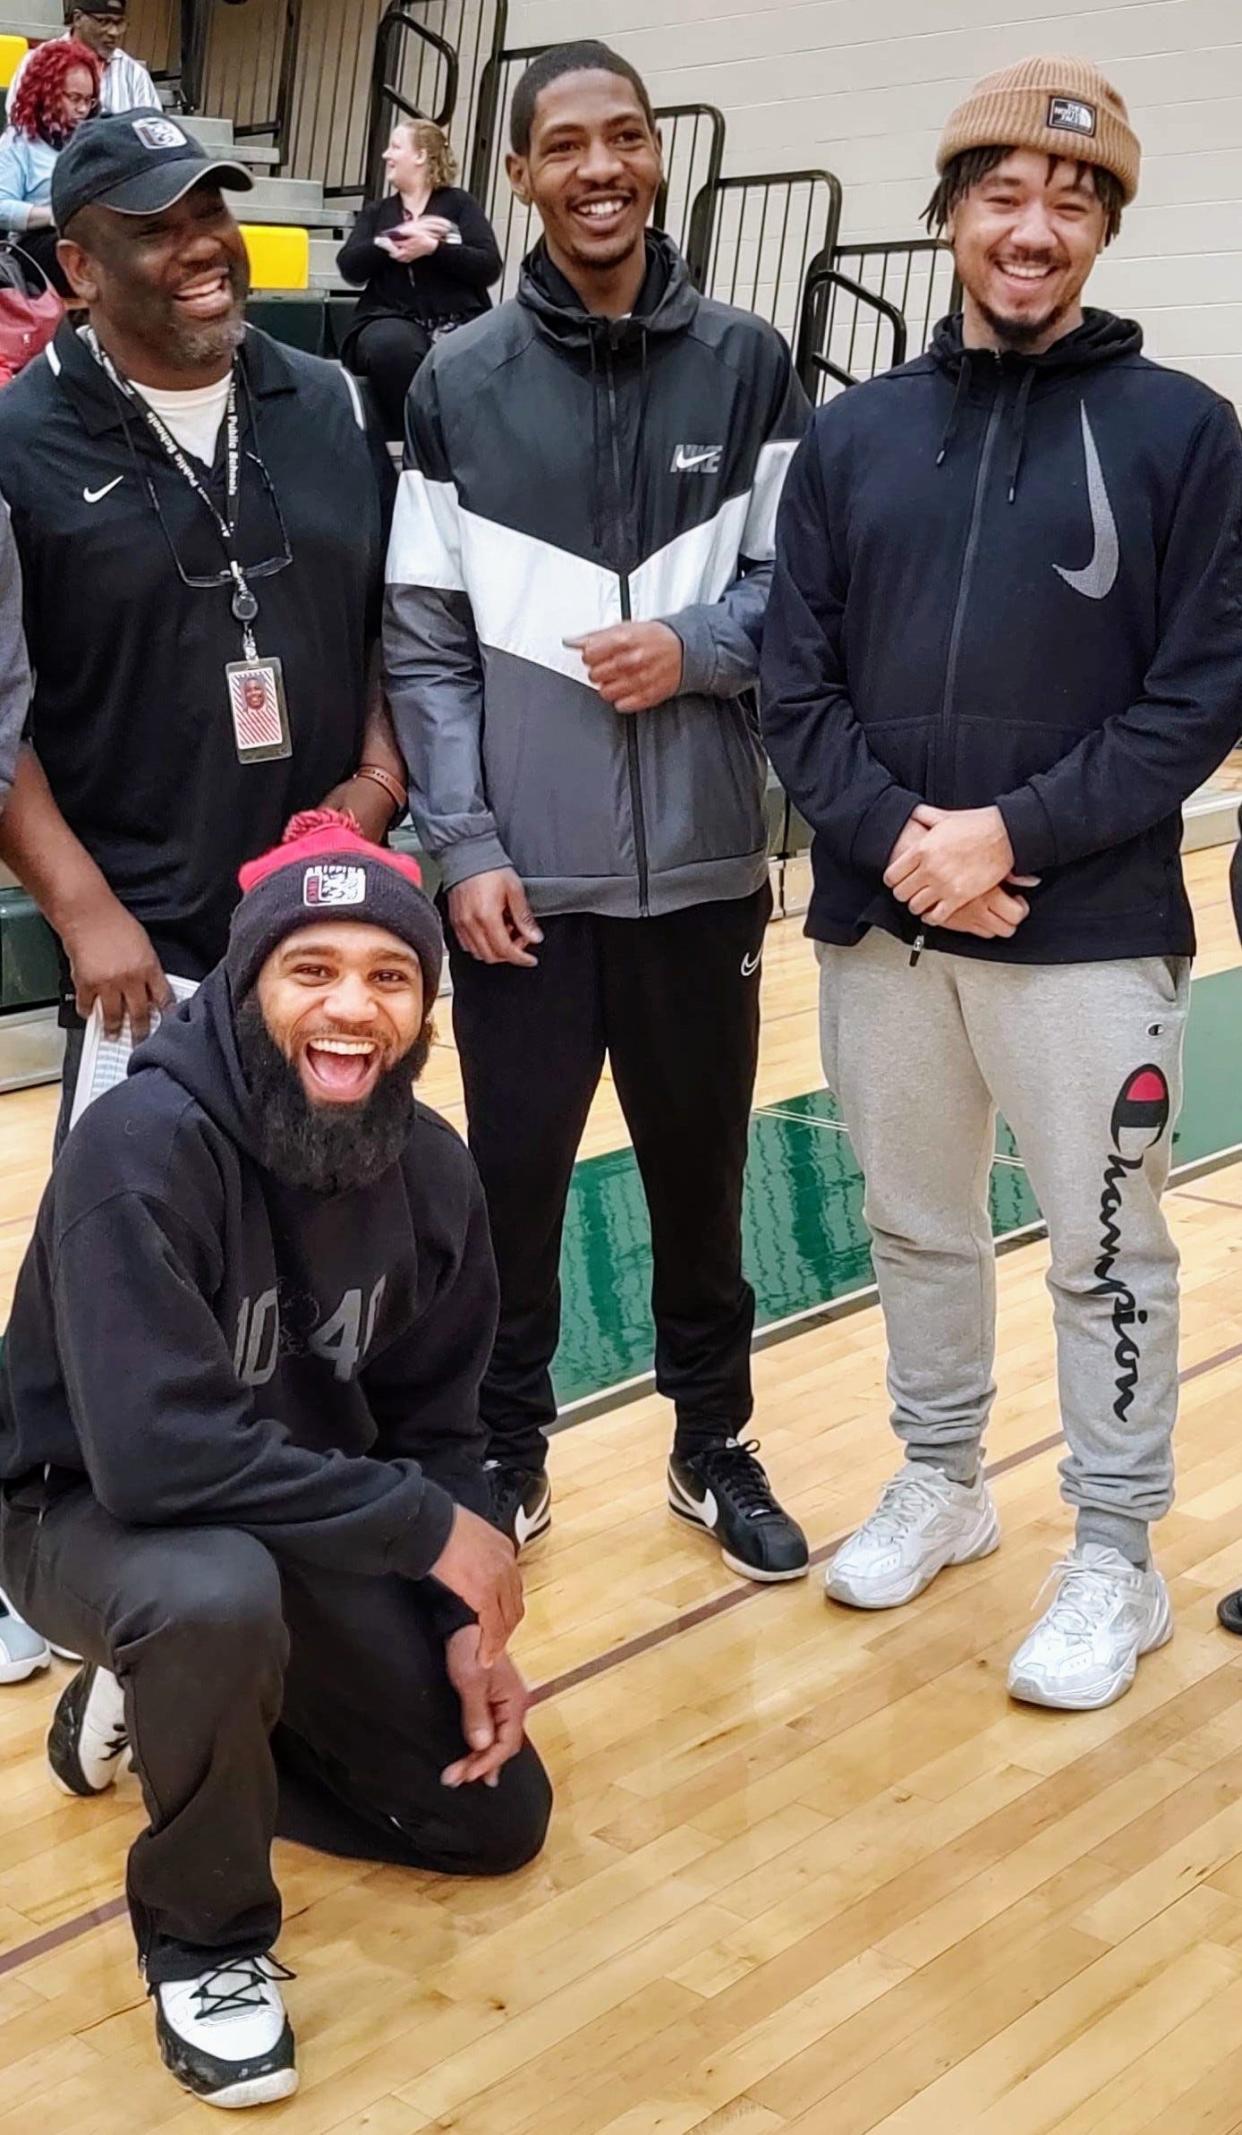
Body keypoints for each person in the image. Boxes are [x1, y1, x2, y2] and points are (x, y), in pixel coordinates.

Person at [761, 55, 1242, 1709]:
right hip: (881, 923)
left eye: (1069, 200)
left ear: (1103, 227)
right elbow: (790, 682)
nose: (1030, 228)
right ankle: (943, 1479)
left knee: (1107, 1248)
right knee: (914, 1223)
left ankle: (1115, 1553)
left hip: (1087, 928)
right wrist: (905, 842)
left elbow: (1195, 698)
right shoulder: (848, 438)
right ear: (950, 213)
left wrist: (1002, 837)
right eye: (1001, 195)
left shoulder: (1184, 433)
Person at [0, 808, 551, 2110]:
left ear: (423, 1007)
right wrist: (426, 1529)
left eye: (388, 974)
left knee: (489, 1817)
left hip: (288, 1512)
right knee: (207, 1594)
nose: (349, 1005)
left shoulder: (431, 1171)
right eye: (311, 970)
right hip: (83, 1510)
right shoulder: (137, 1151)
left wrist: (465, 1608)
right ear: (249, 989)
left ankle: (178, 1703)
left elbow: (440, 1428)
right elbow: (155, 1456)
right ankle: (207, 1940)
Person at [385, 41, 810, 1581]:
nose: (601, 168)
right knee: (509, 1186)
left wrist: (694, 650)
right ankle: (505, 1445)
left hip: (700, 874)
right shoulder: (455, 383)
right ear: (518, 175)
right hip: (525, 888)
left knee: (701, 1178)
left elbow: (798, 597)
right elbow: (423, 641)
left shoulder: (751, 361)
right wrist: (466, 846)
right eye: (565, 146)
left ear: (656, 156)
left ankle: (711, 1441)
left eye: (626, 137)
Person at [0, 110, 408, 1155]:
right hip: (142, 944)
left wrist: (376, 778)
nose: (202, 245)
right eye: (157, 227)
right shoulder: (19, 442)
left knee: (331, 1260)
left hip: (327, 920)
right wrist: (84, 908)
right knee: (135, 1260)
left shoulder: (328, 400)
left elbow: (387, 620)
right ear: (82, 269)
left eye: (212, 209)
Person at [337, 118, 502, 441]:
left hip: (457, 318)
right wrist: (394, 239)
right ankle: (418, 445)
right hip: (389, 317)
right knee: (392, 347)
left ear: (422, 155)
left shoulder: (459, 204)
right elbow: (350, 267)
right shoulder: (378, 212)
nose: (386, 154)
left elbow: (488, 265)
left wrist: (433, 248)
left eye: (396, 147)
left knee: (474, 349)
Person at [0, 38, 101, 294]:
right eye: (74, 98)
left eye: (88, 101)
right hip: (35, 245)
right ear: (48, 93)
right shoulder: (19, 142)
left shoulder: (94, 139)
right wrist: (52, 214)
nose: (82, 109)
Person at [7, 2, 161, 118]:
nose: (114, 32)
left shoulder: (135, 75)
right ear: (78, 19)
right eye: (104, 22)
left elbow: (153, 130)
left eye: (118, 23)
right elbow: (19, 121)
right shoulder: (38, 62)